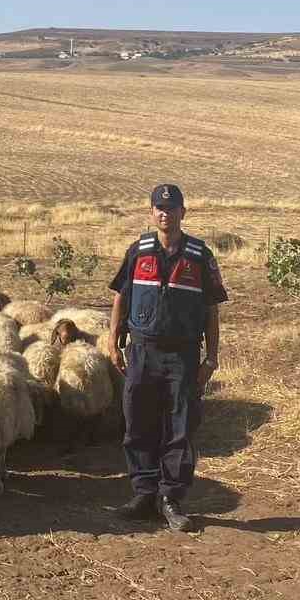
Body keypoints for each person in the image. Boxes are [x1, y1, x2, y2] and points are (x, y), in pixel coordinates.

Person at [105, 183, 226, 534]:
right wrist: (113, 343)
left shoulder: (199, 255)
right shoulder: (138, 250)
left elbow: (211, 310)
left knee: (180, 427)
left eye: (172, 209)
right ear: (151, 212)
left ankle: (171, 498)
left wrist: (212, 358)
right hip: (141, 350)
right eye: (159, 208)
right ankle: (143, 493)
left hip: (183, 355)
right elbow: (119, 300)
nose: (165, 213)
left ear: (182, 213)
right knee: (137, 423)